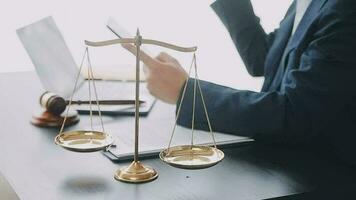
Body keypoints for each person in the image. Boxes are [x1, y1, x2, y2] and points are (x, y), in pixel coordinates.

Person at [123, 0, 356, 165]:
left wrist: (187, 93)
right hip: (286, 159)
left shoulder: (345, 8)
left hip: (324, 172)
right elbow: (264, 59)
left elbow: (296, 114)